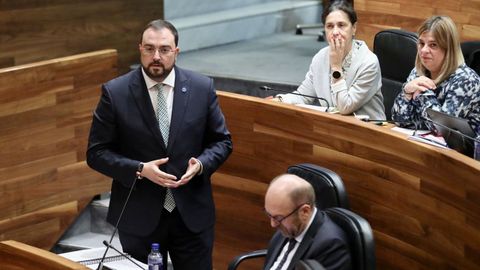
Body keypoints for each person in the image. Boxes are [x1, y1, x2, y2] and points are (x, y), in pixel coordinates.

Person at [86, 19, 232, 269]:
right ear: (140, 48)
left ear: (176, 51)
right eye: (149, 48)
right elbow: (96, 153)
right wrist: (140, 169)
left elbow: (222, 141)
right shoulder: (116, 92)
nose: (156, 56)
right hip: (139, 215)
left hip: (191, 214)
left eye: (164, 49)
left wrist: (200, 165)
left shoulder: (201, 87)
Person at [274, 0, 385, 120]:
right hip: (333, 128)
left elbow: (344, 107)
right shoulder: (320, 57)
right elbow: (303, 96)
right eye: (330, 26)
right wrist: (280, 100)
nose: (335, 32)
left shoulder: (368, 62)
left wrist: (336, 67)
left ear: (354, 28)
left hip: (370, 131)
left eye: (341, 25)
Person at [392, 15, 480, 135]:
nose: (423, 50)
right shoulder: (418, 72)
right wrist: (406, 92)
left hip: (465, 152)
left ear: (448, 49)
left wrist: (424, 93)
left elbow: (443, 130)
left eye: (433, 45)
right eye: (421, 43)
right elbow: (399, 120)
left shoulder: (466, 80)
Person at [263, 174, 352, 270]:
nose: (273, 224)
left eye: (278, 217)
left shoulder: (331, 246)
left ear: (305, 211)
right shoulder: (288, 222)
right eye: (269, 214)